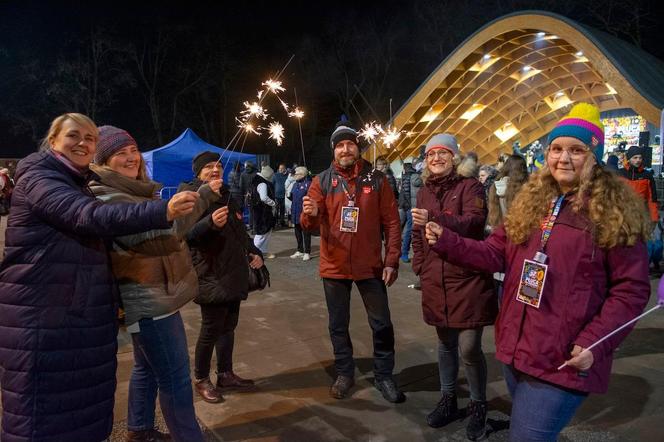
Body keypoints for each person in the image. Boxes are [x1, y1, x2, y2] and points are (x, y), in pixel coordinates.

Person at [424, 103, 651, 441]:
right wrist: (448, 242)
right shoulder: (534, 202)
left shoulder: (614, 211)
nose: (564, 158)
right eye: (557, 149)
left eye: (577, 150)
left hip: (564, 358)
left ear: (594, 156)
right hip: (519, 346)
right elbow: (494, 253)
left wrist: (594, 342)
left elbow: (630, 290)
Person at [0, 113, 198, 442]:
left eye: (90, 138)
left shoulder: (76, 181)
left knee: (80, 412)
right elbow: (89, 216)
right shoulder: (41, 176)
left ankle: (140, 429)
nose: (83, 143)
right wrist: (163, 211)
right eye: (73, 135)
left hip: (74, 315)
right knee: (42, 418)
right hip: (45, 318)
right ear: (53, 141)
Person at [89, 126, 218, 442]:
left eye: (133, 150)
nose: (131, 157)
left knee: (146, 368)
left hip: (158, 296)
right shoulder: (105, 195)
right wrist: (177, 205)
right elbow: (146, 233)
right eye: (120, 153)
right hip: (147, 299)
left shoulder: (136, 191)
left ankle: (139, 428)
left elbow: (172, 230)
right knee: (175, 379)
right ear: (103, 160)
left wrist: (201, 198)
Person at [301, 121, 404, 403]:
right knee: (338, 324)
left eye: (350, 144)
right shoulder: (321, 181)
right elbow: (309, 225)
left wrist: (391, 260)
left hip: (369, 265)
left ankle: (384, 375)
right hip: (333, 266)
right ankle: (344, 373)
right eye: (340, 145)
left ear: (358, 148)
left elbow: (392, 223)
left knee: (381, 323)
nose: (345, 149)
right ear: (334, 151)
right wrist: (309, 213)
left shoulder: (376, 180)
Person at [411, 134, 497, 440]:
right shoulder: (423, 191)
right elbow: (418, 235)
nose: (436, 158)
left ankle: (478, 404)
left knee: (469, 347)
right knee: (445, 343)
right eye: (431, 153)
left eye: (442, 153)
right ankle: (448, 398)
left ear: (455, 157)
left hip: (468, 277)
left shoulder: (470, 186)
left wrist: (435, 217)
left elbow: (474, 224)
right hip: (435, 276)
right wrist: (419, 266)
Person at [177, 151, 263, 404]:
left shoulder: (226, 194)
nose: (215, 170)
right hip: (210, 271)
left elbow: (239, 230)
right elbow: (183, 233)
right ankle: (201, 378)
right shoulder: (191, 195)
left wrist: (253, 251)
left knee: (229, 327)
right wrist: (209, 224)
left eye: (218, 166)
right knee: (211, 329)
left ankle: (225, 373)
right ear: (198, 172)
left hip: (233, 271)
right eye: (208, 167)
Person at [398, 157, 422, 263]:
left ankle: (403, 252)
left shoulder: (407, 176)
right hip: (413, 207)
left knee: (408, 230)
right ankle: (404, 253)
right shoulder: (416, 176)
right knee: (410, 230)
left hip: (409, 206)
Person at [251, 165, 277, 258]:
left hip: (259, 210)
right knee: (261, 233)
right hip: (263, 211)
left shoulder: (256, 180)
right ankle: (252, 253)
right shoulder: (262, 183)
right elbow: (263, 198)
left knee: (266, 232)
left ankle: (263, 252)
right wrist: (273, 203)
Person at [288, 166, 312, 260]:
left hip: (304, 212)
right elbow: (292, 196)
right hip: (295, 210)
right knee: (297, 232)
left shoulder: (308, 184)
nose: (294, 176)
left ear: (302, 174)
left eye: (296, 174)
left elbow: (312, 197)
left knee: (306, 232)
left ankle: (307, 252)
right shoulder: (295, 184)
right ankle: (300, 250)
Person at [240, 160, 258, 229]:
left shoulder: (243, 174)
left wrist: (243, 195)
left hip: (247, 195)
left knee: (251, 211)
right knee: (255, 211)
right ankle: (255, 226)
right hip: (255, 194)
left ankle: (251, 226)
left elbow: (241, 186)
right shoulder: (255, 173)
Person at [273, 163, 289, 227]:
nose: (281, 169)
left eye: (282, 168)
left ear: (285, 169)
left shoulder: (287, 176)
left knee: (282, 210)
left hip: (284, 196)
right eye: (280, 168)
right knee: (276, 210)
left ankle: (282, 222)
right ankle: (275, 222)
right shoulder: (275, 175)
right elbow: (272, 184)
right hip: (276, 196)